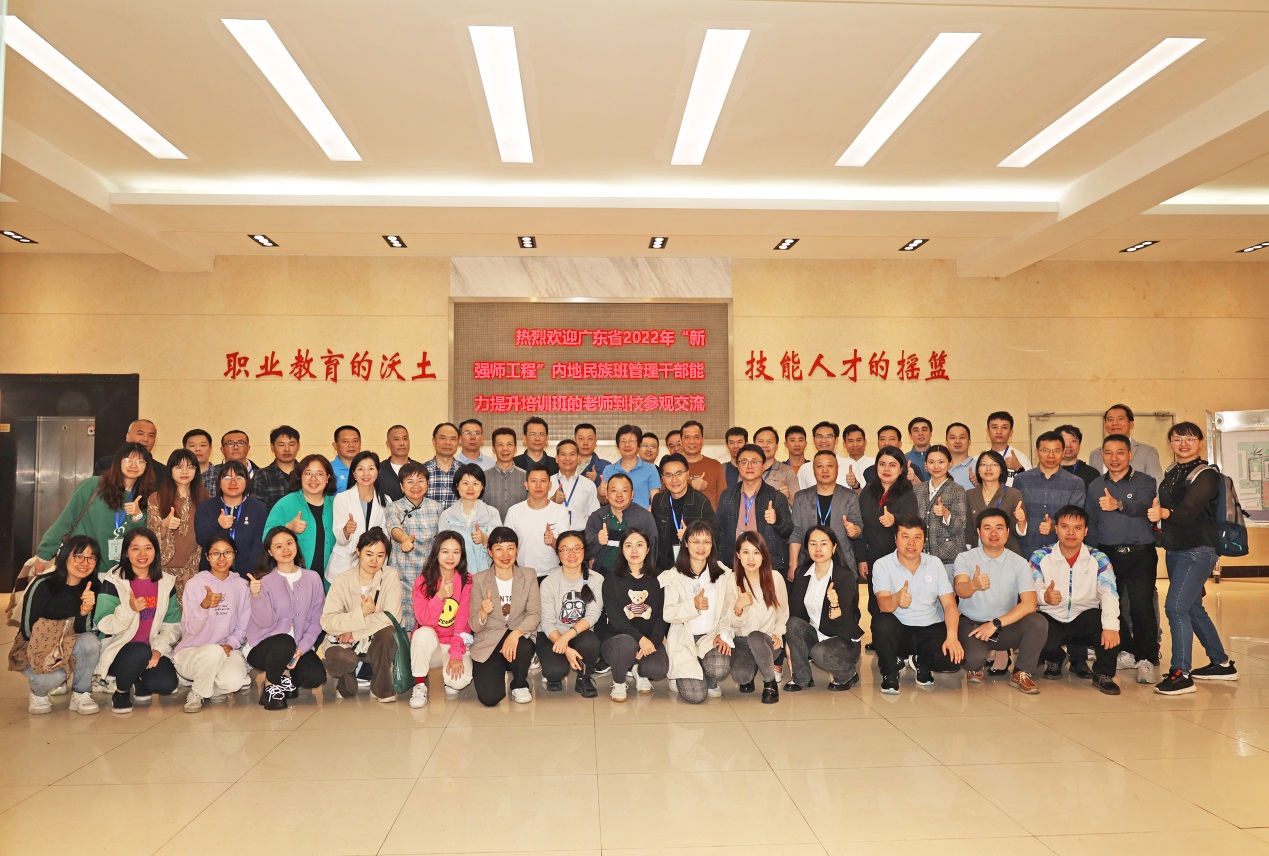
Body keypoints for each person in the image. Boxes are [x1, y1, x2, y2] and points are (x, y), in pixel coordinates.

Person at [1149, 422, 1239, 695]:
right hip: (1175, 549)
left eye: (1190, 438)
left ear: (1200, 441)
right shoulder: (1172, 471)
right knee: (1191, 608)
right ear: (1170, 443)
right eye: (1178, 439)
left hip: (1198, 549)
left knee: (1175, 607)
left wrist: (1164, 513)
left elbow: (1188, 512)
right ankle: (1222, 664)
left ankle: (1181, 674)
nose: (1184, 444)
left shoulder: (1207, 474)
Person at [1086, 434, 1160, 685]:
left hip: (1140, 554)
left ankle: (1147, 658)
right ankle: (1128, 651)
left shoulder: (1145, 481)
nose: (1114, 458)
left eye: (1120, 452)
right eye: (1108, 453)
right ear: (1102, 456)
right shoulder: (1095, 485)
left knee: (1141, 607)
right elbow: (1092, 522)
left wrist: (1118, 504)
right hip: (1107, 555)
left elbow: (1143, 506)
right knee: (1110, 606)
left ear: (1130, 454)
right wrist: (1092, 555)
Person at [954, 510, 1047, 694]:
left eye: (999, 528)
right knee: (973, 659)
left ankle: (1021, 672)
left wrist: (996, 623)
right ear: (978, 532)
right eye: (987, 528)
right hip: (973, 624)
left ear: (1008, 531)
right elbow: (960, 590)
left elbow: (1029, 604)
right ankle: (977, 665)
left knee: (1038, 622)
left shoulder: (1019, 562)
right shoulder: (965, 558)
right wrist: (973, 584)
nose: (994, 533)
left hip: (1004, 626)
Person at [1032, 505, 1121, 695]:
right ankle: (1056, 657)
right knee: (1032, 629)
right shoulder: (1040, 556)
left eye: (1077, 528)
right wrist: (1044, 596)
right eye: (1065, 526)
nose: (1071, 533)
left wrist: (1111, 627)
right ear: (1056, 529)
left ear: (1086, 531)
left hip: (1084, 617)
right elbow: (1031, 589)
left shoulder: (1098, 558)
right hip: (1051, 616)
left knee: (1110, 624)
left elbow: (1109, 593)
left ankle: (1103, 674)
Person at [871, 516, 964, 694]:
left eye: (917, 537)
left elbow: (950, 605)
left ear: (924, 540)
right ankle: (890, 672)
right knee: (882, 624)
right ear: (895, 539)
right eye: (905, 536)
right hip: (899, 630)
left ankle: (921, 661)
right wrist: (896, 598)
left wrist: (952, 637)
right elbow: (884, 606)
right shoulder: (882, 565)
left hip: (929, 626)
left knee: (953, 662)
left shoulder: (935, 563)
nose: (911, 543)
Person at [12, 535, 103, 715]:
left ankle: (81, 693)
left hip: (70, 643)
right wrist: (55, 651)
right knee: (56, 676)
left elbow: (85, 631)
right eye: (78, 556)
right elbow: (28, 630)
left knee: (90, 642)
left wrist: (84, 611)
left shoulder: (93, 587)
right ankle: (38, 693)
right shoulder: (43, 584)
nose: (85, 563)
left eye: (91, 557)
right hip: (37, 647)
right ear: (65, 556)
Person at [34, 442, 155, 575]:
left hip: (119, 571)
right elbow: (66, 519)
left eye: (140, 461)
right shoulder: (94, 486)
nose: (133, 465)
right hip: (82, 566)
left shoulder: (146, 496)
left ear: (146, 466)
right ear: (118, 462)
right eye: (128, 460)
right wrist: (45, 554)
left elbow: (140, 538)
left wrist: (137, 516)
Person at [94, 528, 181, 713]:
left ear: (155, 551)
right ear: (126, 552)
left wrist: (158, 649)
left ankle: (136, 679)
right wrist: (129, 609)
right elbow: (103, 624)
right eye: (135, 549)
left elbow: (172, 624)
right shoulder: (114, 580)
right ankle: (121, 691)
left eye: (148, 548)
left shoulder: (166, 583)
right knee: (139, 651)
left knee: (167, 684)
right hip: (118, 649)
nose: (142, 554)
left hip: (150, 648)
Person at [247, 527, 327, 710]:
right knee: (284, 642)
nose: (285, 549)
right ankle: (271, 685)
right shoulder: (264, 581)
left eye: (289, 543)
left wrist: (302, 648)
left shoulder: (313, 578)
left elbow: (317, 620)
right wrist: (256, 596)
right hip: (264, 648)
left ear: (296, 545)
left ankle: (285, 677)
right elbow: (264, 622)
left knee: (315, 677)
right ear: (270, 552)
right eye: (278, 546)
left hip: (297, 647)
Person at [321, 527, 403, 702]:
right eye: (369, 554)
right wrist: (360, 614)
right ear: (358, 551)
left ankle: (381, 687)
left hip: (371, 641)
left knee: (389, 632)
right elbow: (327, 621)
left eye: (380, 555)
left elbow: (392, 617)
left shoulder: (390, 576)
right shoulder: (342, 580)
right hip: (342, 642)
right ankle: (347, 680)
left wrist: (353, 631)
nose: (374, 560)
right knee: (343, 660)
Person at [660, 521, 737, 703]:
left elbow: (728, 611)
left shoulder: (723, 573)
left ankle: (707, 674)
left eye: (706, 542)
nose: (701, 547)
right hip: (683, 639)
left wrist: (723, 634)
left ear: (712, 544)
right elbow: (668, 614)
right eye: (695, 541)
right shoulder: (674, 575)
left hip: (710, 637)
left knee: (719, 669)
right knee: (696, 696)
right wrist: (693, 605)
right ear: (686, 544)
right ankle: (681, 674)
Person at [173, 532, 252, 712]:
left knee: (235, 681)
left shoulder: (242, 585)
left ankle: (209, 686)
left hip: (226, 650)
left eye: (227, 552)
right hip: (192, 652)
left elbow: (243, 624)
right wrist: (204, 606)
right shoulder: (195, 584)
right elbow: (191, 628)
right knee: (213, 652)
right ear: (207, 557)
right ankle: (197, 692)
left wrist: (231, 644)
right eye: (216, 553)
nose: (222, 558)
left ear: (234, 554)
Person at [468, 527, 541, 706]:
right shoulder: (479, 579)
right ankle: (497, 670)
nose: (505, 554)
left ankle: (519, 684)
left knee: (523, 645)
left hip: (518, 638)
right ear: (490, 551)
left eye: (510, 548)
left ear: (517, 549)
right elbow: (474, 626)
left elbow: (534, 614)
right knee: (490, 698)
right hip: (489, 640)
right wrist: (483, 612)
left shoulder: (529, 575)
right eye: (499, 549)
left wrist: (515, 634)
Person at [785, 526, 861, 691]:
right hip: (816, 635)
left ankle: (848, 674)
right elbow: (796, 614)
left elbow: (846, 621)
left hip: (842, 639)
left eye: (824, 544)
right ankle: (801, 678)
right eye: (813, 544)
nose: (818, 549)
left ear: (834, 547)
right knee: (792, 623)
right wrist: (789, 643)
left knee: (820, 652)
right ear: (807, 548)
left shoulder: (844, 576)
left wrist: (835, 605)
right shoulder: (802, 573)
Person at [600, 528, 668, 701]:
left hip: (648, 639)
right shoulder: (611, 580)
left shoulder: (660, 578)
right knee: (626, 644)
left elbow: (662, 615)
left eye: (639, 545)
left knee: (658, 669)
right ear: (622, 550)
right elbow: (616, 619)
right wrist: (640, 639)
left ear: (648, 549)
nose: (634, 550)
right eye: (628, 545)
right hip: (617, 641)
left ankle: (638, 669)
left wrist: (652, 642)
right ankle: (619, 681)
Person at [409, 531, 475, 707]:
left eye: (456, 552)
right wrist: (440, 597)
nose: (450, 557)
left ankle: (449, 679)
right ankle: (419, 684)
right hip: (432, 646)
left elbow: (463, 624)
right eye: (445, 551)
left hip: (454, 643)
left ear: (462, 555)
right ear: (436, 553)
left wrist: (456, 656)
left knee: (458, 681)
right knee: (423, 633)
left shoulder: (467, 582)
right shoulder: (423, 581)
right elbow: (424, 620)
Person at [537, 531, 603, 697]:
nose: (571, 554)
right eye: (565, 550)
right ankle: (555, 673)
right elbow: (547, 622)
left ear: (584, 551)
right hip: (553, 634)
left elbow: (593, 615)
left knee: (590, 642)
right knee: (554, 671)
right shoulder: (549, 582)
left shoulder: (596, 579)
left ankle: (584, 678)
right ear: (558, 554)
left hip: (581, 633)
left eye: (576, 549)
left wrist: (566, 638)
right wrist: (565, 648)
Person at [858, 447, 919, 628]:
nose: (886, 469)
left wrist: (895, 520)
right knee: (874, 602)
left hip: (898, 559)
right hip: (873, 557)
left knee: (899, 601)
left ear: (901, 469)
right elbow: (861, 526)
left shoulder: (908, 493)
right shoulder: (867, 491)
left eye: (892, 465)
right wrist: (861, 558)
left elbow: (912, 524)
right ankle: (878, 637)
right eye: (882, 464)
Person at [717, 444, 794, 577]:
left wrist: (777, 520)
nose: (749, 466)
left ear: (763, 466)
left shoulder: (776, 496)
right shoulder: (726, 495)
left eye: (755, 462)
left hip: (766, 566)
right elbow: (719, 531)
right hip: (732, 565)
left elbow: (788, 530)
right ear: (738, 466)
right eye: (744, 462)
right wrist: (720, 562)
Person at [730, 532, 789, 703]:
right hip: (741, 641)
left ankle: (770, 682)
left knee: (756, 636)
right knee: (741, 677)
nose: (751, 558)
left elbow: (783, 612)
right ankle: (753, 665)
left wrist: (778, 632)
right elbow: (726, 619)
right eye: (745, 552)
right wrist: (738, 608)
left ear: (763, 555)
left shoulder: (775, 578)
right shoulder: (731, 580)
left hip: (768, 640)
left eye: (756, 552)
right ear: (738, 555)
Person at [385, 462, 444, 631]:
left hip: (429, 574)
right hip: (402, 574)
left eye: (420, 481)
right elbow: (393, 527)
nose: (415, 486)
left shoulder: (437, 508)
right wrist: (403, 538)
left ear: (427, 484)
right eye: (409, 482)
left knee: (428, 618)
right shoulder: (394, 507)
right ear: (401, 486)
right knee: (404, 621)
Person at [788, 450, 864, 580]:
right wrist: (793, 563)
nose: (825, 470)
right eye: (819, 466)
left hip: (842, 563)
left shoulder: (849, 496)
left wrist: (854, 530)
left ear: (837, 468)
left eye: (829, 466)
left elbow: (858, 526)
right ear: (813, 470)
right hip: (808, 562)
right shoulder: (801, 497)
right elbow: (796, 532)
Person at [263, 453, 336, 585]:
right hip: (293, 580)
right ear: (300, 476)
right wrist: (288, 528)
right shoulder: (285, 503)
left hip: (330, 580)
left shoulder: (336, 504)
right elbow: (266, 539)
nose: (313, 478)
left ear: (328, 478)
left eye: (319, 474)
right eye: (308, 473)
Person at [146, 448, 209, 601]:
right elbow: (150, 539)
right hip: (161, 571)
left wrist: (192, 570)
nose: (184, 471)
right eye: (179, 466)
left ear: (196, 470)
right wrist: (164, 525)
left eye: (190, 467)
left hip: (194, 571)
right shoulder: (156, 498)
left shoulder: (206, 500)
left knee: (192, 612)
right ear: (170, 470)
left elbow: (207, 539)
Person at [1014, 431, 1087, 558]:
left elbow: (1075, 519)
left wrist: (1054, 526)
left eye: (1056, 451)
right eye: (1045, 450)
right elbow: (1014, 515)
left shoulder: (1076, 483)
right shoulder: (1021, 480)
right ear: (1036, 452)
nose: (1051, 455)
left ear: (1063, 453)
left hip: (1060, 552)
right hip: (1026, 549)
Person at [194, 460, 267, 578]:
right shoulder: (206, 506)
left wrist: (247, 577)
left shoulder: (258, 508)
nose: (233, 482)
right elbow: (201, 540)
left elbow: (259, 546)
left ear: (247, 482)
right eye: (227, 478)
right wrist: (218, 525)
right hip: (212, 574)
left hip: (248, 575)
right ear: (219, 482)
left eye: (239, 478)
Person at [328, 451, 389, 583]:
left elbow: (386, 537)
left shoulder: (386, 501)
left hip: (374, 566)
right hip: (344, 567)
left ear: (377, 472)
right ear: (354, 473)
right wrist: (346, 531)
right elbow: (340, 539)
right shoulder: (342, 498)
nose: (366, 473)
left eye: (371, 468)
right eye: (360, 469)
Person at [650, 453, 717, 571]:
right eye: (669, 475)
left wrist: (691, 534)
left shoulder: (701, 502)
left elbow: (714, 535)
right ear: (663, 478)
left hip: (692, 566)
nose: (674, 479)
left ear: (687, 474)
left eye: (679, 474)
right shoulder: (658, 500)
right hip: (663, 567)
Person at [505, 464, 572, 577]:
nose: (538, 485)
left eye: (543, 481)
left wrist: (553, 541)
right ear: (526, 485)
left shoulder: (561, 512)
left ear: (550, 485)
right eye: (533, 481)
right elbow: (506, 545)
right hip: (521, 574)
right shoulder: (514, 511)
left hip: (552, 574)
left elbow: (567, 547)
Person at [913, 445, 968, 582]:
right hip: (922, 558)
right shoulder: (917, 490)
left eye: (941, 462)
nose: (936, 466)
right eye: (931, 462)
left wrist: (946, 514)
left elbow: (960, 527)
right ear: (926, 466)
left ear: (950, 464)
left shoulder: (957, 490)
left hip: (949, 559)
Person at [584, 472, 657, 574]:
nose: (619, 495)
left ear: (632, 494)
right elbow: (585, 553)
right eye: (614, 490)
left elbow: (653, 551)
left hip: (634, 576)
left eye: (624, 491)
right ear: (607, 494)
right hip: (603, 575)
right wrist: (597, 540)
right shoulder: (597, 517)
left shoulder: (644, 518)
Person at [440, 464, 502, 573]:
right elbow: (442, 550)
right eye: (465, 483)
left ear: (482, 486)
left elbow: (500, 547)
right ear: (457, 486)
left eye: (475, 483)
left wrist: (485, 539)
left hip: (485, 573)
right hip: (457, 574)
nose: (470, 488)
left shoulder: (492, 513)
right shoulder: (447, 516)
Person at [966, 450, 1027, 556]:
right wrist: (967, 553)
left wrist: (1022, 521)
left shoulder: (1013, 494)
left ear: (1001, 470)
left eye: (994, 464)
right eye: (984, 464)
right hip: (978, 553)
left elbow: (1019, 533)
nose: (988, 468)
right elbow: (968, 529)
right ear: (978, 470)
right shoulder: (969, 494)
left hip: (1007, 552)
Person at [1089, 404, 1166, 483]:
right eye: (1110, 419)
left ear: (1131, 424)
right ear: (1105, 425)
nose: (1114, 423)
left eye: (1120, 419)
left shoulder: (1148, 452)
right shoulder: (1095, 454)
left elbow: (1156, 483)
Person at [603, 424, 661, 509]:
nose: (627, 445)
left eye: (631, 441)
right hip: (615, 516)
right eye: (623, 441)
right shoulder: (609, 470)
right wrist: (601, 493)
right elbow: (603, 501)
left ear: (639, 445)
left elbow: (655, 500)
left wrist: (646, 515)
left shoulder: (651, 469)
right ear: (618, 445)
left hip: (642, 516)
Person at [95, 419, 167, 483]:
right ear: (127, 437)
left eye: (151, 436)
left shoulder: (163, 472)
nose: (146, 439)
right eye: (140, 434)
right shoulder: (106, 464)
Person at [550, 439, 600, 530]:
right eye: (563, 454)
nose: (567, 458)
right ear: (557, 459)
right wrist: (552, 500)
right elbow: (538, 511)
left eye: (572, 454)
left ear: (578, 459)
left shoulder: (589, 485)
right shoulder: (547, 483)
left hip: (580, 534)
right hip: (553, 534)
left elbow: (595, 516)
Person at [252, 425, 301, 510]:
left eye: (291, 444)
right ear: (272, 447)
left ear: (298, 446)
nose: (287, 449)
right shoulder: (262, 476)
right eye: (281, 445)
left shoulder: (306, 473)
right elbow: (257, 511)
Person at [484, 427, 529, 519]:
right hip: (490, 527)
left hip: (518, 527)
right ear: (493, 449)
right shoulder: (483, 477)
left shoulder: (526, 477)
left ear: (515, 448)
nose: (505, 449)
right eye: (500, 445)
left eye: (509, 444)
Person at [203, 430, 261, 498]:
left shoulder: (262, 475)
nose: (235, 447)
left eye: (240, 443)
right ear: (222, 449)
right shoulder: (207, 476)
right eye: (230, 444)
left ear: (248, 448)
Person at [680, 420, 723, 508]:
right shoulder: (672, 466)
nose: (692, 442)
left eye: (696, 437)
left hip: (710, 516)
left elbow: (723, 499)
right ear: (681, 441)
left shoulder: (715, 465)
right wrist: (690, 484)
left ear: (702, 440)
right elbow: (665, 494)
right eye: (687, 438)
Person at [754, 426, 801, 506]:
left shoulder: (787, 471)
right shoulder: (747, 470)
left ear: (776, 446)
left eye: (770, 442)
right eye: (761, 441)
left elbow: (800, 505)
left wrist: (789, 496)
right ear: (754, 445)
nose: (765, 445)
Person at [986, 411, 1031, 485]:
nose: (999, 431)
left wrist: (1018, 468)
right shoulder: (979, 459)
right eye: (994, 427)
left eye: (1004, 427)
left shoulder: (1021, 458)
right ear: (988, 431)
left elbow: (1029, 486)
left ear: (1011, 432)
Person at [424, 422, 462, 504]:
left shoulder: (465, 472)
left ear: (458, 442)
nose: (448, 442)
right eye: (443, 438)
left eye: (453, 439)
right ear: (433, 441)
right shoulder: (421, 471)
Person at [378, 424, 417, 502]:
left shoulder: (419, 469)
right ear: (388, 444)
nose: (402, 443)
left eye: (405, 439)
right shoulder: (379, 470)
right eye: (396, 439)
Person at [840, 423, 875, 490]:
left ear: (865, 442)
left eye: (858, 440)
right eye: (850, 441)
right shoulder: (839, 465)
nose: (855, 444)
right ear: (844, 444)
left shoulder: (876, 463)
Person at [330, 425, 362, 493]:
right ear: (335, 445)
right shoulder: (328, 469)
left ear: (360, 443)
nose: (351, 445)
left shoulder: (369, 469)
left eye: (355, 441)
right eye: (345, 441)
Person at [945, 423, 976, 490]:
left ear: (969, 441)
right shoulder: (940, 467)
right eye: (952, 438)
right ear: (946, 442)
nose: (957, 441)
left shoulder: (979, 467)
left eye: (962, 437)